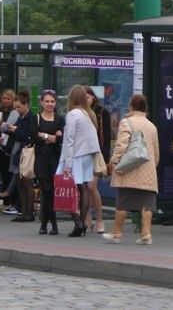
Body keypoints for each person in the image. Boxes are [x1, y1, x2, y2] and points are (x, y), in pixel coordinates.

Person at [103, 94, 159, 245]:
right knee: (147, 203)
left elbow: (121, 144)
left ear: (131, 106)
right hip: (147, 169)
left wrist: (114, 161)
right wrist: (152, 166)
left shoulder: (127, 122)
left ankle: (116, 233)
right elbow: (156, 152)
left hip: (130, 169)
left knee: (123, 201)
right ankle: (146, 234)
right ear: (145, 108)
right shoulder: (151, 126)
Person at [57, 85, 101, 237]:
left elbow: (69, 140)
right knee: (83, 189)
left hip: (74, 155)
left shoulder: (73, 114)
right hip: (87, 155)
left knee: (68, 188)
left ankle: (77, 222)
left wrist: (67, 164)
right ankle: (82, 221)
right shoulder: (88, 114)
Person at [32, 89, 64, 235]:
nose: (49, 104)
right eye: (47, 101)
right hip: (41, 160)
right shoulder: (36, 118)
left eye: (52, 101)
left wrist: (45, 136)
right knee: (47, 190)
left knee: (51, 192)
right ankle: (51, 224)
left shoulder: (59, 119)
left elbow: (61, 139)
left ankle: (47, 224)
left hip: (55, 160)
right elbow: (33, 137)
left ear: (55, 103)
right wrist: (50, 136)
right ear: (41, 102)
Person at [85, 86, 112, 234]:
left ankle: (100, 219)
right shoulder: (78, 113)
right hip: (82, 154)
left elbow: (106, 137)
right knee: (84, 189)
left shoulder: (102, 112)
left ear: (93, 97)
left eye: (88, 97)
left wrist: (106, 160)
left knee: (91, 186)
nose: (86, 100)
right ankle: (87, 217)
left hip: (96, 154)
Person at [6, 90, 35, 222]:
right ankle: (23, 211)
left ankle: (29, 211)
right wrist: (11, 130)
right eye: (15, 107)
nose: (17, 110)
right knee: (19, 183)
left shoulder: (31, 118)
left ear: (26, 105)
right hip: (19, 152)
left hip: (26, 152)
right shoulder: (21, 117)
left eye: (18, 107)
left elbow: (30, 136)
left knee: (27, 183)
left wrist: (16, 130)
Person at [0, 89, 19, 213]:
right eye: (4, 98)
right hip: (0, 146)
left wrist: (0, 125)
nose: (6, 101)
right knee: (4, 174)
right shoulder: (0, 111)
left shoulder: (14, 112)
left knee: (10, 174)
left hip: (8, 146)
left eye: (9, 98)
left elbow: (7, 127)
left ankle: (11, 201)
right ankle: (6, 201)